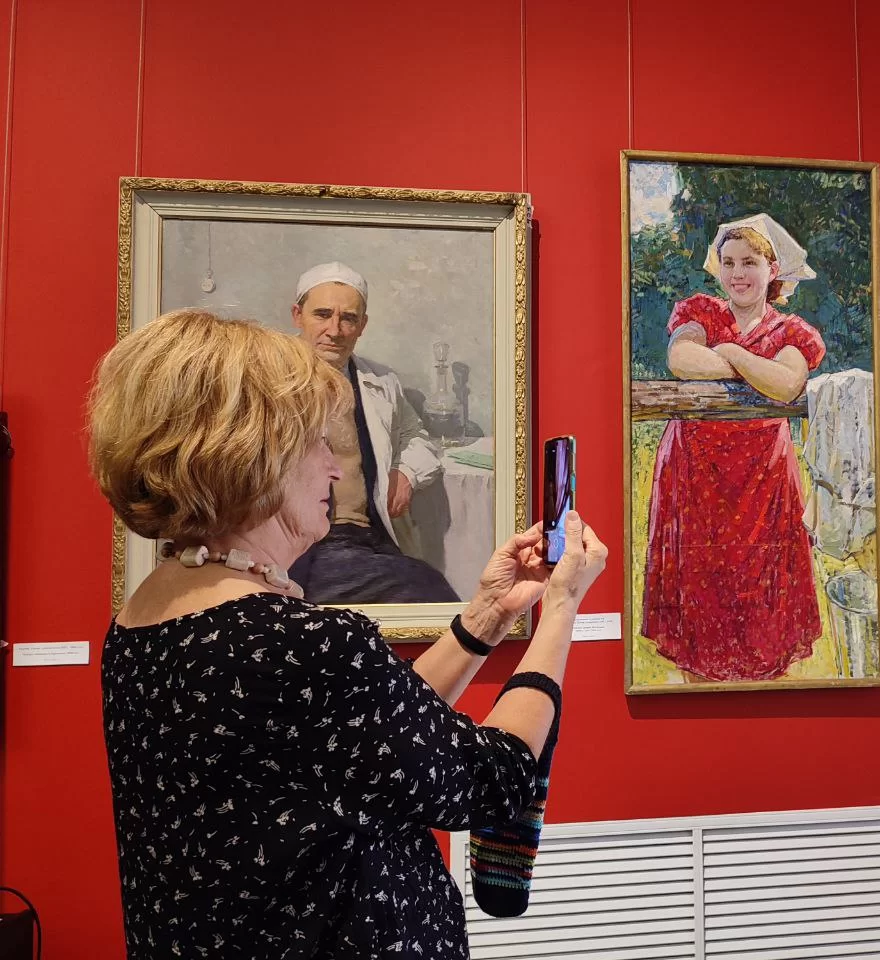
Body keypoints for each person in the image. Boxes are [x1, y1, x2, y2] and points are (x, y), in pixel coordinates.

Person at [88, 309, 607, 958]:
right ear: (251, 454)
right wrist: (561, 607)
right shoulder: (304, 644)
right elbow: (492, 779)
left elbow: (362, 735)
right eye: (316, 443)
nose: (334, 469)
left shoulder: (141, 619)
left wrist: (487, 615)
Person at [642, 213, 826, 682]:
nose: (738, 273)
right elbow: (682, 359)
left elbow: (787, 383)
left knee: (762, 582)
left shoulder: (790, 331)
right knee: (701, 581)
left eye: (749, 262)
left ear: (772, 269)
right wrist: (751, 370)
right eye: (729, 263)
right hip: (696, 472)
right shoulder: (701, 312)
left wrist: (731, 353)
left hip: (763, 477)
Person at [286, 261, 458, 603]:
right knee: (427, 591)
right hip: (303, 543)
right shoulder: (266, 377)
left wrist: (406, 472)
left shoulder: (381, 381)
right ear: (297, 316)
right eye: (322, 315)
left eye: (348, 318)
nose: (335, 330)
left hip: (369, 535)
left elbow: (416, 436)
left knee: (428, 586)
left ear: (362, 326)